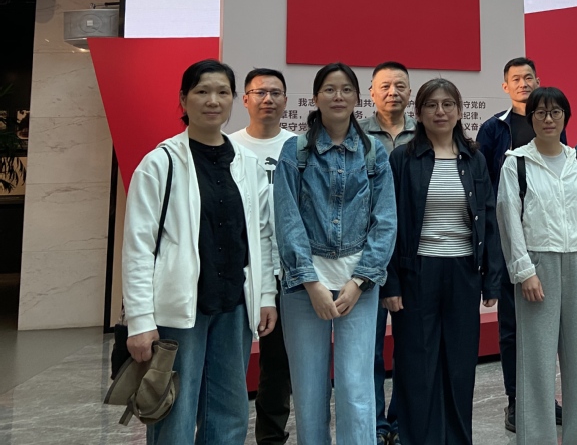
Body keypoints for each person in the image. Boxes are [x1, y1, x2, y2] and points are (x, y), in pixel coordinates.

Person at [122, 59, 278, 445]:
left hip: (233, 305)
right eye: (202, 91)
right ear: (183, 99)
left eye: (222, 92)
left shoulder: (247, 163)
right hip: (179, 310)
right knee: (174, 408)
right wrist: (140, 320)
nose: (213, 100)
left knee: (229, 410)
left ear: (233, 100)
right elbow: (138, 247)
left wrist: (265, 295)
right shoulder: (160, 163)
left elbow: (259, 235)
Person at [273, 62, 396, 445]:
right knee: (308, 393)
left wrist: (359, 282)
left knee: (356, 390)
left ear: (357, 98)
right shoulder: (295, 151)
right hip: (303, 289)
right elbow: (287, 221)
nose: (337, 96)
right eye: (329, 89)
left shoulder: (373, 152)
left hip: (358, 287)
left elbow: (385, 222)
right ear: (316, 97)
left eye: (345, 89)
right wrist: (311, 283)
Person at [382, 78, 503, 444]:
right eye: (431, 105)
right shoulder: (403, 158)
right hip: (417, 272)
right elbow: (389, 222)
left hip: (463, 271)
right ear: (418, 113)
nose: (440, 111)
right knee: (417, 366)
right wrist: (391, 283)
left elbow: (488, 217)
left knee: (460, 366)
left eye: (448, 104)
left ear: (459, 111)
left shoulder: (474, 158)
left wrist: (491, 280)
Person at [497, 86, 577, 445]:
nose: (549, 119)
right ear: (531, 118)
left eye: (556, 112)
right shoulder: (516, 162)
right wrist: (524, 271)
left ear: (565, 117)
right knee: (536, 361)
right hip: (538, 266)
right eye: (541, 112)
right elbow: (509, 220)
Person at [476, 56, 565, 431]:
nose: (523, 83)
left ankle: (545, 398)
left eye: (529, 77)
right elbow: (483, 186)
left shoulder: (552, 124)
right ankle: (517, 401)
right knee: (512, 326)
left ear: (538, 81)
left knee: (549, 324)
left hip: (549, 237)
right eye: (516, 79)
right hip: (508, 237)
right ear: (505, 87)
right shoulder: (493, 129)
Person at [229, 68, 296, 445]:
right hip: (237, 269)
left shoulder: (298, 147)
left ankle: (270, 437)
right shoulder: (228, 147)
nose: (268, 99)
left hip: (285, 270)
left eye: (275, 93)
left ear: (286, 100)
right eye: (259, 92)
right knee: (228, 359)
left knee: (277, 363)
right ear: (245, 99)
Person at [360, 61, 417, 445]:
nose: (392, 92)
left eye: (400, 85)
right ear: (371, 92)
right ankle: (376, 424)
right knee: (371, 348)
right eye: (385, 86)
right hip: (368, 252)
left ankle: (401, 419)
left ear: (410, 92)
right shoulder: (358, 135)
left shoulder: (424, 133)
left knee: (410, 345)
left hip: (414, 253)